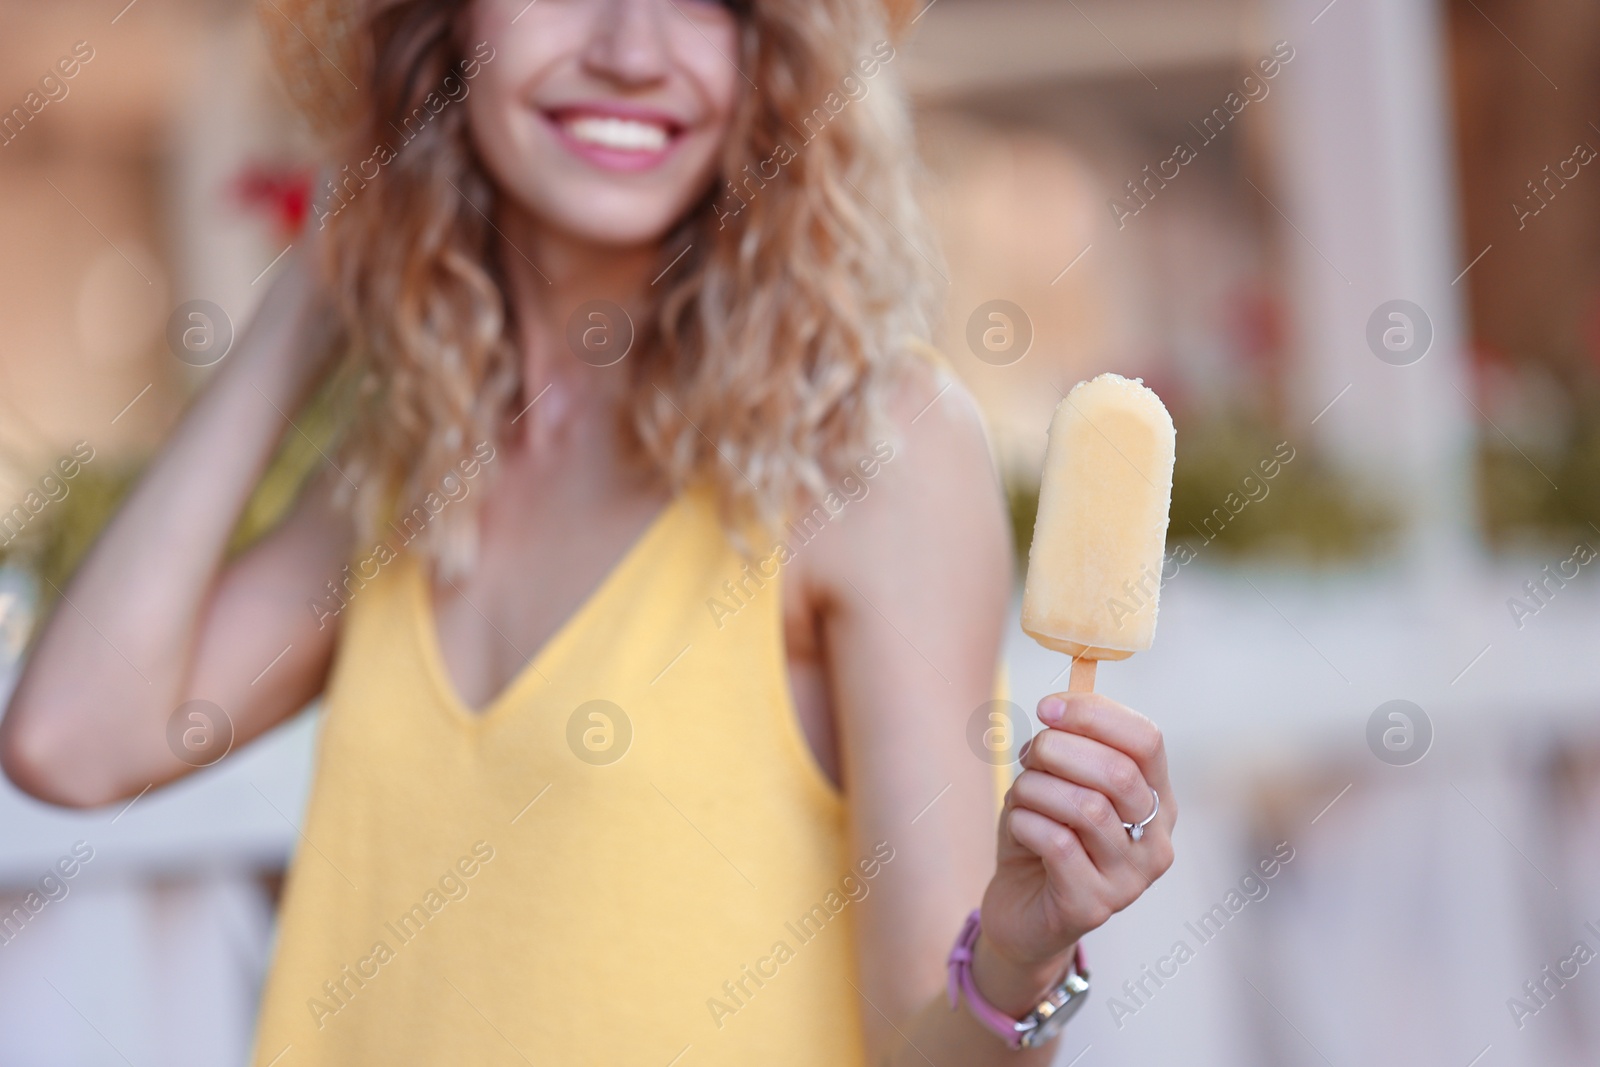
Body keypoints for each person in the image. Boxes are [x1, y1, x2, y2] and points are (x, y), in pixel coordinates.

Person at [0, 0, 1176, 1062]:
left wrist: (1022, 959)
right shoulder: (412, 457)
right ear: (443, 30)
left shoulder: (873, 446)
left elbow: (929, 1049)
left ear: (768, 47)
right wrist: (313, 293)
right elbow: (71, 739)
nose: (628, 48)